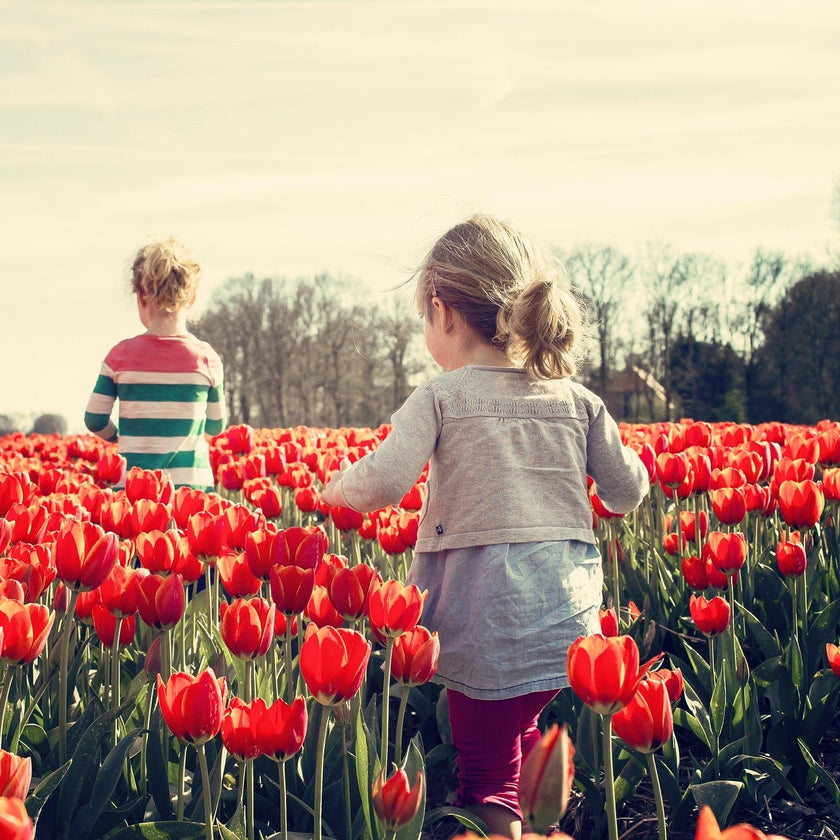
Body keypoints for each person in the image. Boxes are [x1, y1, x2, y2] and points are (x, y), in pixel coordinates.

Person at [322, 214, 649, 839]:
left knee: (488, 775)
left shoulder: (441, 397)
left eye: (425, 317)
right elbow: (628, 490)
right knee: (525, 736)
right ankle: (538, 822)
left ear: (443, 312)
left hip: (486, 618)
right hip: (567, 622)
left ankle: (502, 829)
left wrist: (337, 486)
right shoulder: (576, 399)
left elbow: (385, 482)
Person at [84, 236, 227, 491]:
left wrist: (119, 437)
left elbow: (94, 419)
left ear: (141, 296)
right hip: (191, 489)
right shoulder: (207, 358)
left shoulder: (120, 356)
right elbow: (216, 426)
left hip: (133, 489)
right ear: (192, 298)